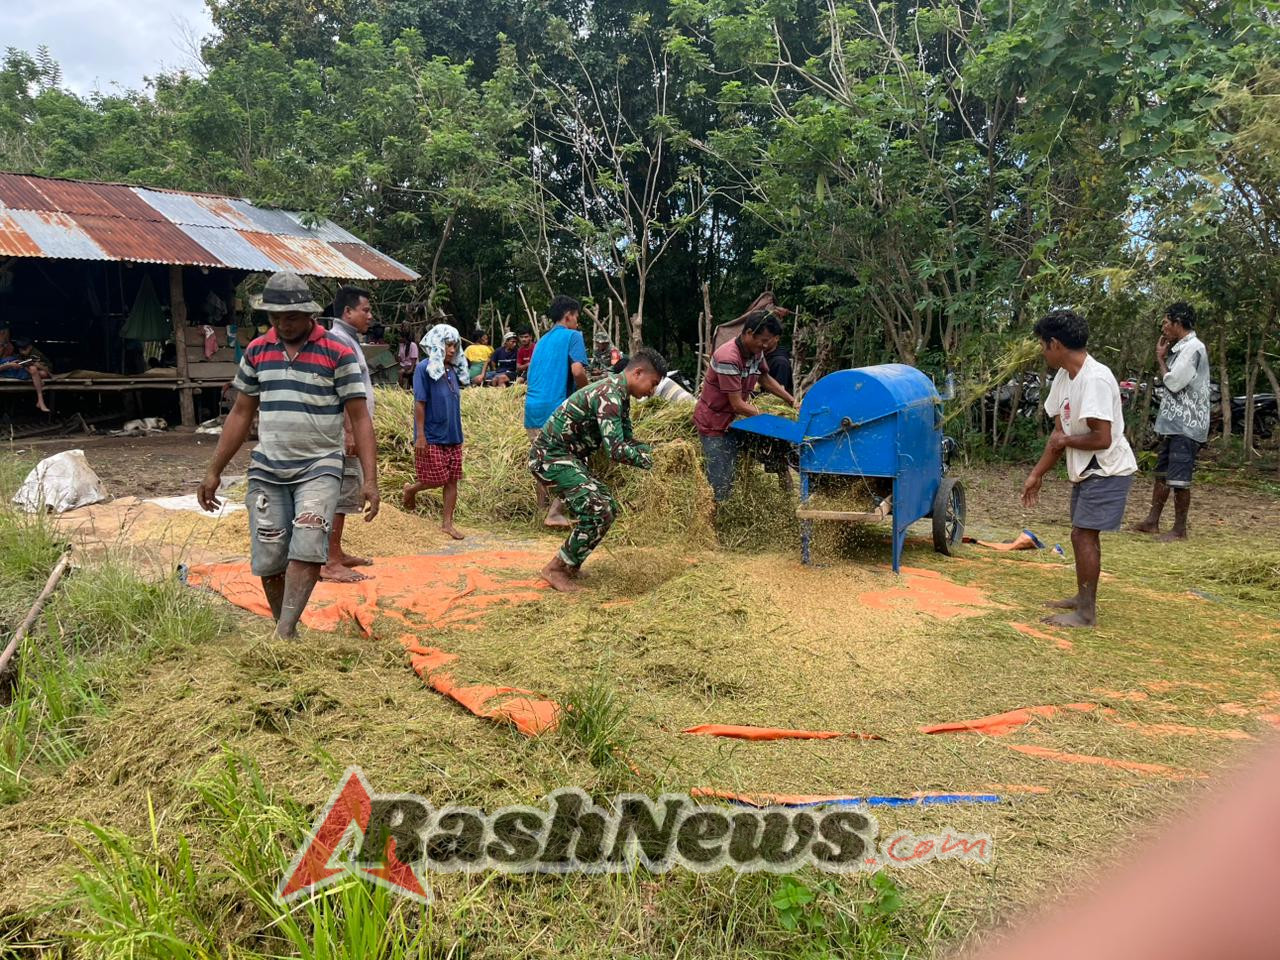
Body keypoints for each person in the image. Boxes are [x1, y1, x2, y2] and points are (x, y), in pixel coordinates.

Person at [196, 271, 379, 639]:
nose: (282, 324)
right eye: (275, 318)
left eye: (290, 317)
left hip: (319, 467)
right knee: (268, 554)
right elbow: (242, 412)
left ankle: (283, 632)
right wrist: (214, 469)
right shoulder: (258, 351)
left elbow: (359, 417)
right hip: (267, 469)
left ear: (309, 314)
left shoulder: (337, 352)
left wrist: (370, 480)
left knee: (309, 544)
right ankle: (287, 629)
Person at [1021, 309, 1137, 629]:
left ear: (1056, 344)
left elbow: (1102, 438)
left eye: (1043, 344)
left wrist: (1065, 441)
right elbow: (1058, 436)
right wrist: (1037, 474)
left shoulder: (1096, 378)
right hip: (1086, 469)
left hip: (1107, 468)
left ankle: (1086, 613)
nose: (1042, 351)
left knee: (1083, 535)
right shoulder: (1064, 377)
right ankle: (1081, 598)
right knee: (1080, 535)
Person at [529, 348, 667, 591]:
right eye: (653, 384)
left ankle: (571, 564)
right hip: (551, 457)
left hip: (569, 458)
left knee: (607, 507)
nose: (652, 391)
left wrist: (658, 452)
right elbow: (615, 449)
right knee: (598, 508)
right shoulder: (610, 395)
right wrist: (650, 462)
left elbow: (627, 440)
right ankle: (555, 569)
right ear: (638, 372)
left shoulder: (620, 395)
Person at [693, 310, 797, 503]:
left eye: (769, 341)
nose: (766, 346)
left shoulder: (755, 352)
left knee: (734, 472)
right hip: (714, 424)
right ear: (749, 332)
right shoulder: (728, 358)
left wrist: (791, 401)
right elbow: (738, 404)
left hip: (733, 421)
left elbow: (764, 377)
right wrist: (769, 417)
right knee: (720, 480)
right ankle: (713, 523)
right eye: (763, 340)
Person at [1133, 302, 1210, 541]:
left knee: (1179, 478)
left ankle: (1179, 530)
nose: (1163, 326)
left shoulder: (1193, 348)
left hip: (1187, 424)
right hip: (1175, 423)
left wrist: (1160, 359)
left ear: (1178, 323)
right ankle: (1152, 521)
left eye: (1167, 322)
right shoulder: (1183, 348)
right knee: (1163, 473)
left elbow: (1174, 382)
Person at [319, 285, 377, 583]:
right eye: (365, 310)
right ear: (347, 312)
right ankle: (329, 561)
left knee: (345, 492)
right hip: (344, 432)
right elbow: (339, 391)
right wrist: (349, 431)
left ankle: (336, 552)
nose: (370, 315)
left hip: (351, 428)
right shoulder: (339, 342)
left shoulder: (348, 340)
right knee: (339, 494)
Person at [524, 296, 589, 527]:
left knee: (542, 461)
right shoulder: (573, 336)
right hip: (555, 409)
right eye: (577, 317)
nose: (577, 323)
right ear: (569, 315)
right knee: (576, 458)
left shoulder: (540, 341)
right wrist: (587, 395)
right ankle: (555, 513)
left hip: (532, 409)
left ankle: (541, 510)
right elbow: (578, 371)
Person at [403, 324, 468, 540]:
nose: (452, 350)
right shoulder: (424, 369)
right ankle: (411, 490)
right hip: (432, 434)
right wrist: (420, 435)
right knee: (436, 478)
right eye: (448, 345)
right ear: (437, 345)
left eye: (454, 346)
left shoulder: (451, 371)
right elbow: (420, 403)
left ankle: (447, 524)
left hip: (453, 434)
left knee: (452, 480)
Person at [0, 337, 52, 413]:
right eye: (2, 346)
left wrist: (17, 362)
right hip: (10, 372)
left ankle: (40, 400)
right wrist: (9, 365)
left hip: (18, 369)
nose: (9, 348)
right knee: (35, 370)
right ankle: (40, 400)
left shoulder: (11, 355)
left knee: (42, 373)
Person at [396, 324, 420, 390]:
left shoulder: (413, 345)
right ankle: (401, 388)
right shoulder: (401, 345)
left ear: (404, 338)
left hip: (411, 365)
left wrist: (411, 369)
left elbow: (414, 359)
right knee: (400, 371)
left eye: (400, 337)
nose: (399, 338)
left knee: (400, 372)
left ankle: (400, 390)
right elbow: (399, 358)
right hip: (404, 365)